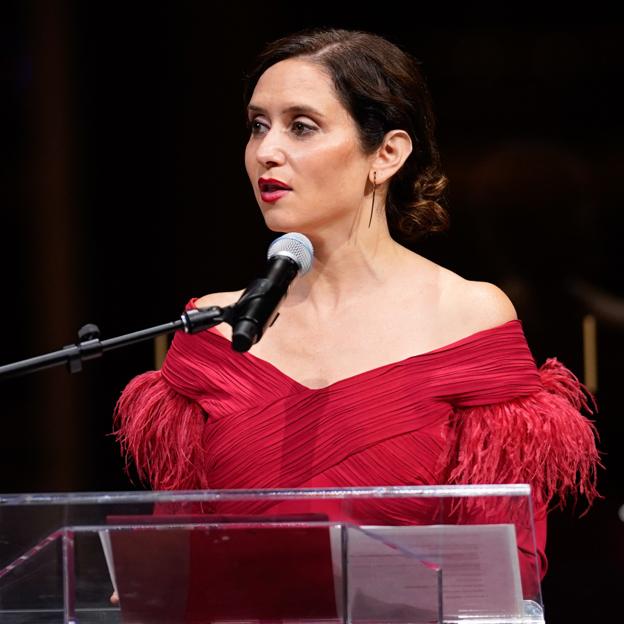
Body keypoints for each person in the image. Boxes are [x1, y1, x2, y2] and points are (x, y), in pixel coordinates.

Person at [114, 28, 599, 600]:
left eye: (302, 126)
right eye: (257, 125)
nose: (267, 150)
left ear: (387, 153)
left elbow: (502, 574)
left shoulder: (467, 315)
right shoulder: (214, 324)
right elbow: (170, 563)